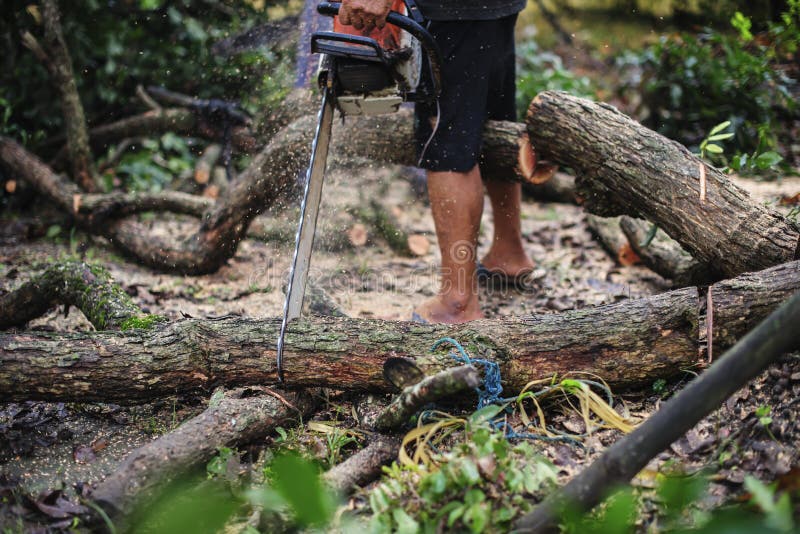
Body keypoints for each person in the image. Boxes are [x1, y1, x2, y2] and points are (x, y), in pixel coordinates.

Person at [339, 0, 534, 324]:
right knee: (490, 119)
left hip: (451, 9)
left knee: (446, 143)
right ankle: (508, 251)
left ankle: (457, 301)